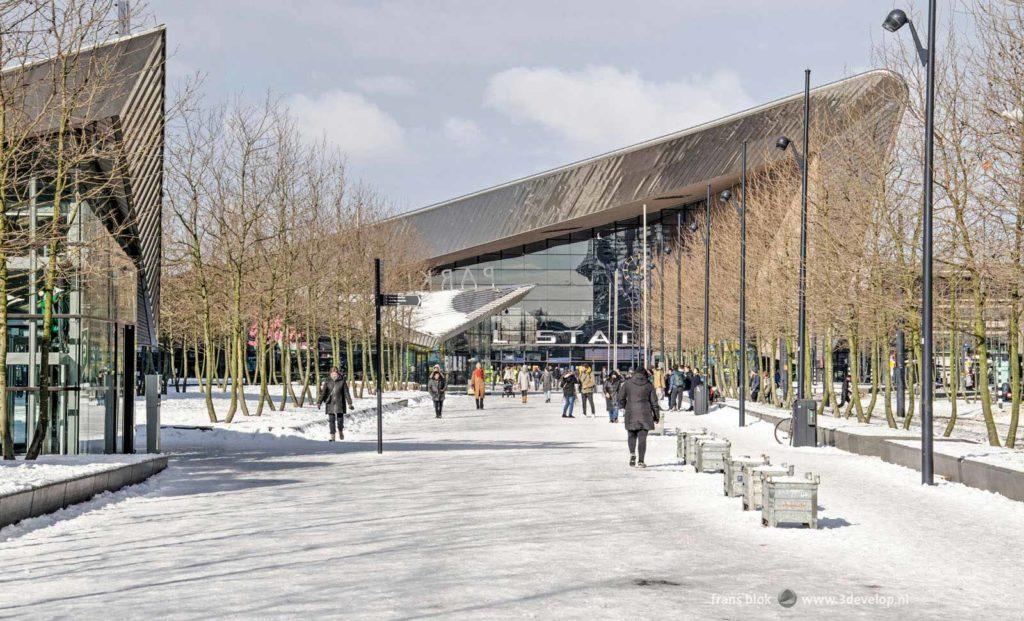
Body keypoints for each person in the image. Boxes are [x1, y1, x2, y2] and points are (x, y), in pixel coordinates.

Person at [618, 367, 659, 468]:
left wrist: (622, 407)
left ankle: (632, 453)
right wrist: (656, 415)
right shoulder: (649, 385)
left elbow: (621, 397)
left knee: (631, 435)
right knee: (642, 438)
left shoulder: (627, 383)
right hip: (645, 414)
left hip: (631, 412)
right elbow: (654, 402)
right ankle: (641, 461)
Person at [317, 366, 353, 441]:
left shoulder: (342, 380)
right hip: (330, 402)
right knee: (331, 420)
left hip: (340, 402)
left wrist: (349, 403)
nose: (334, 372)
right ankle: (332, 436)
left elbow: (346, 392)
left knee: (340, 420)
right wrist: (319, 402)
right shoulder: (327, 381)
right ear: (330, 372)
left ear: (337, 372)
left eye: (335, 371)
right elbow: (323, 392)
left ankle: (340, 430)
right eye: (333, 371)